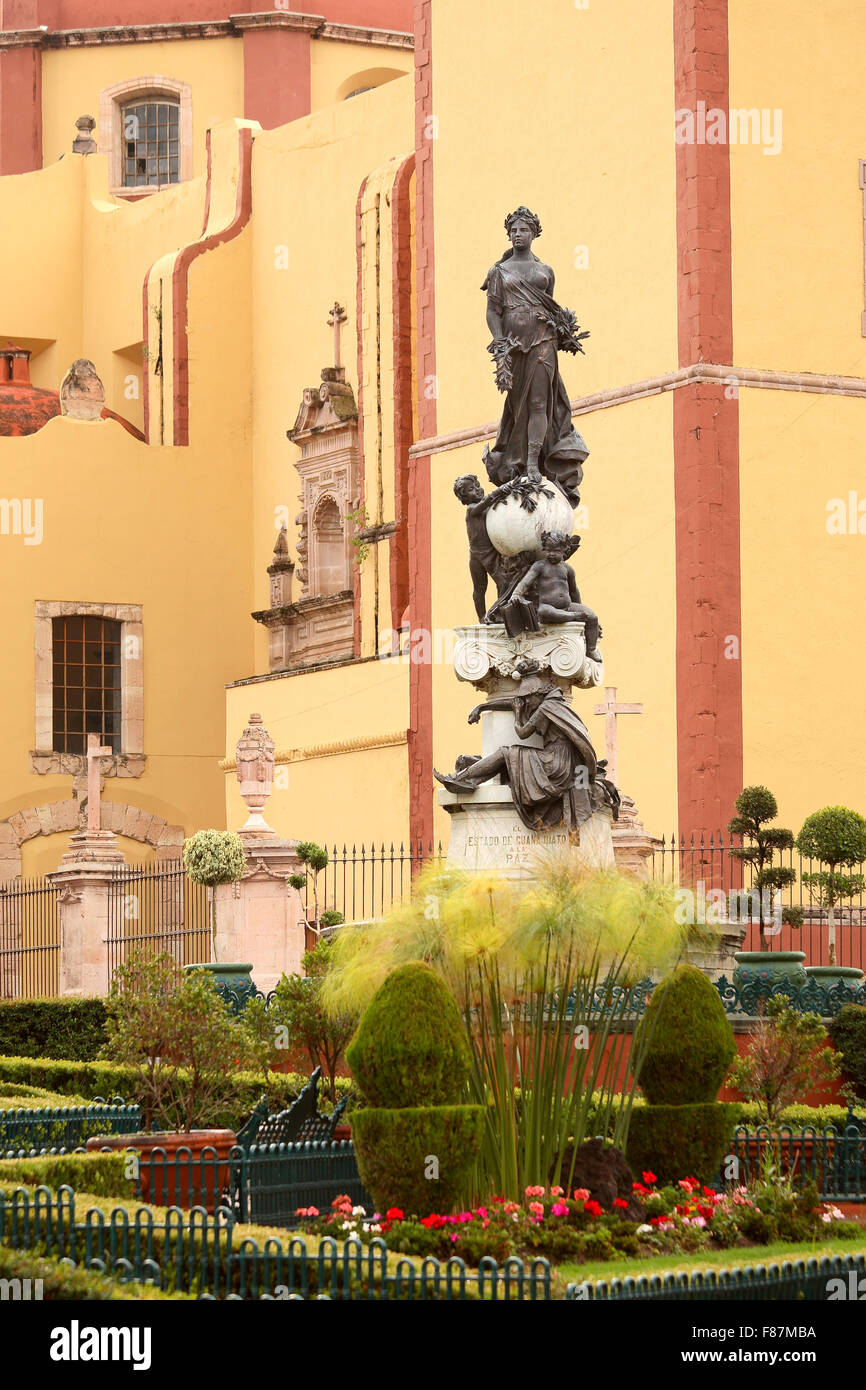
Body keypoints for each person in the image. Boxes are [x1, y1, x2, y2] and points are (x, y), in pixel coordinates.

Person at [482, 206, 589, 507]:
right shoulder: (498, 272)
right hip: (514, 346)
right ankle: (514, 459)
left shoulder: (545, 272)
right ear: (509, 234)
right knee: (518, 407)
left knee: (540, 402)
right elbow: (493, 311)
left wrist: (564, 330)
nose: (518, 234)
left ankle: (532, 464)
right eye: (514, 230)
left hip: (544, 340)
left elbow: (551, 306)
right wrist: (500, 341)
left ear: (534, 233)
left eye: (524, 230)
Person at [434, 667, 602, 831]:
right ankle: (466, 780)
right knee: (508, 757)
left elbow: (522, 732)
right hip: (557, 761)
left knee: (505, 753)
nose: (526, 702)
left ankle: (461, 778)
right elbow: (515, 703)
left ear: (537, 694)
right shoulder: (553, 703)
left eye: (528, 698)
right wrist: (482, 707)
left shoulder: (545, 708)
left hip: (555, 764)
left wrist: (519, 715)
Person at [508, 530, 601, 658]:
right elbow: (525, 582)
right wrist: (516, 594)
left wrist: (580, 607)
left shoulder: (568, 569)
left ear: (564, 550)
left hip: (567, 606)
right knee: (543, 612)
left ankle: (591, 649)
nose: (551, 554)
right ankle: (574, 616)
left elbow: (574, 591)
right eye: (548, 551)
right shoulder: (539, 566)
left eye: (556, 551)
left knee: (593, 617)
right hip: (548, 606)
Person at [453, 473, 517, 622]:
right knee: (480, 588)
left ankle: (500, 613)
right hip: (477, 554)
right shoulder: (472, 508)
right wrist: (500, 490)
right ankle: (482, 617)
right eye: (471, 489)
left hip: (491, 552)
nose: (477, 489)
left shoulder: (485, 506)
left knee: (502, 582)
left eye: (477, 486)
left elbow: (491, 504)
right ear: (464, 497)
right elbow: (487, 501)